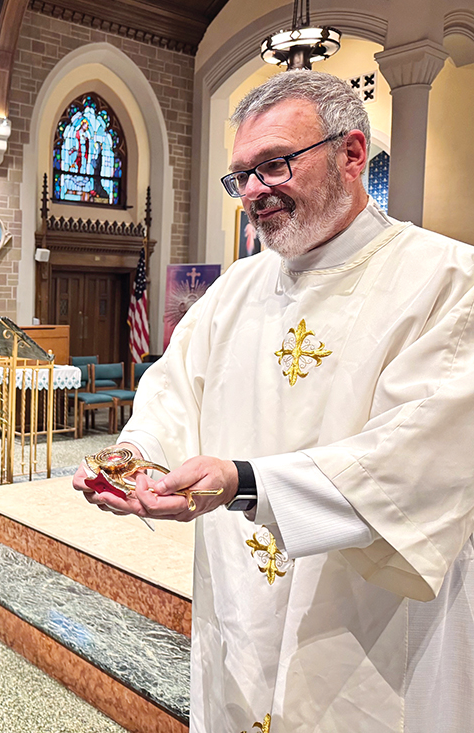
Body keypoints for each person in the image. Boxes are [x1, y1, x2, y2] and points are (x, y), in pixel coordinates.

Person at [73, 70, 474, 731]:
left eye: (275, 164)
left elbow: (417, 461)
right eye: (241, 175)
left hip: (371, 630)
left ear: (351, 155)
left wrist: (247, 483)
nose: (254, 190)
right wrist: (134, 455)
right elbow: (175, 388)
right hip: (239, 607)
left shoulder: (449, 283)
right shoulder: (234, 291)